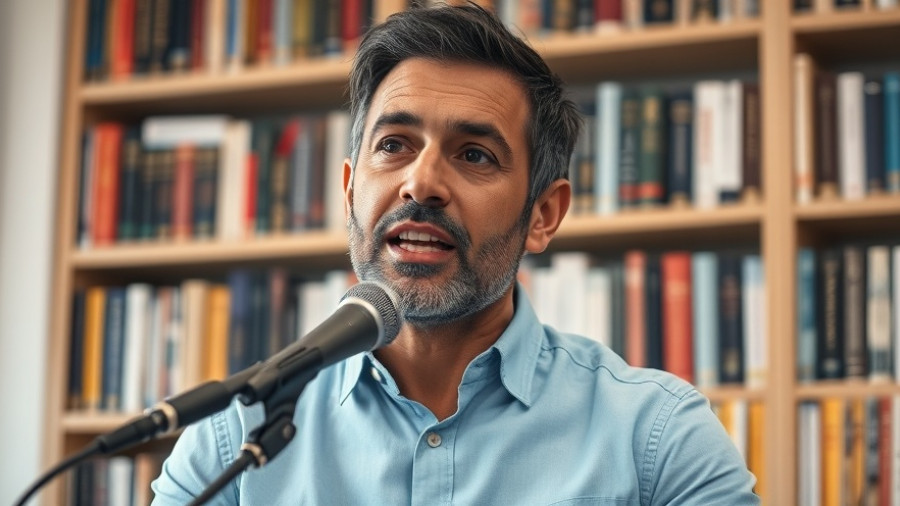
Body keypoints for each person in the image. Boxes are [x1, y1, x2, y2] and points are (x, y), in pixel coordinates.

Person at [152, 4, 759, 504]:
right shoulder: (230, 439)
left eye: (474, 154)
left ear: (543, 215)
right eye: (393, 144)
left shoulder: (657, 439)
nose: (421, 183)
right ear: (348, 191)